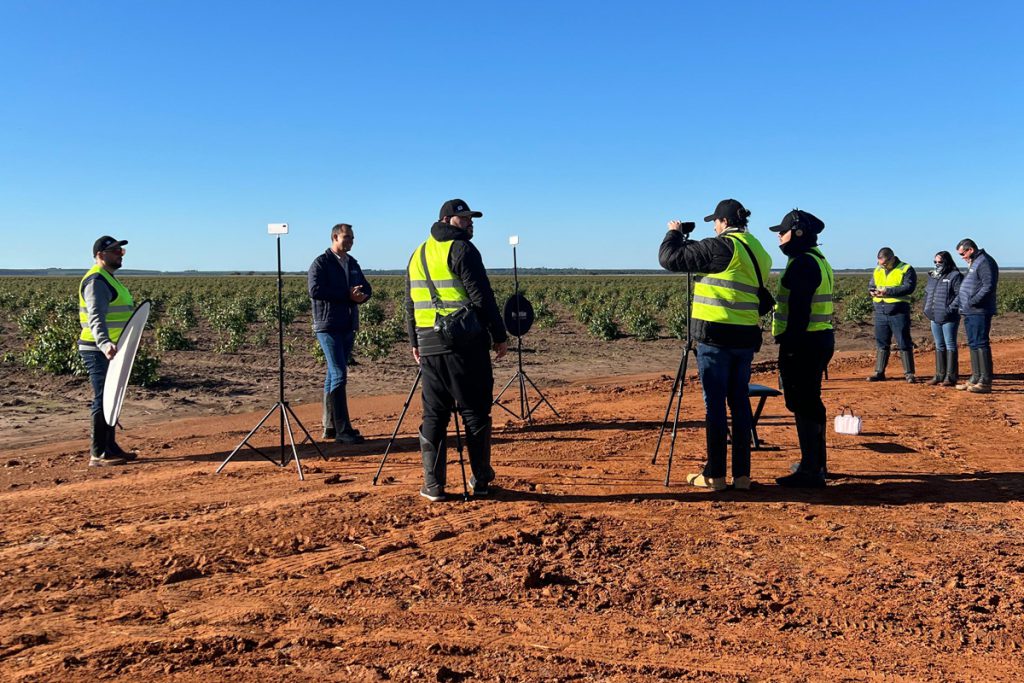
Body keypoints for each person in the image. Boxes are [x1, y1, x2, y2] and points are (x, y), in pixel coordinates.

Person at [659, 198, 772, 491]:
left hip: (716, 338)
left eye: (715, 222)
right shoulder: (758, 250)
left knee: (715, 407)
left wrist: (674, 233)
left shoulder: (721, 246)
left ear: (722, 222)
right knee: (740, 403)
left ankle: (716, 475)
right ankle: (743, 476)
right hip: (746, 337)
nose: (714, 226)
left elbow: (669, 258)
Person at [404, 199, 508, 502]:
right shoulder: (461, 249)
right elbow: (481, 295)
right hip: (464, 345)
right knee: (475, 411)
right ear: (448, 220)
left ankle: (433, 485)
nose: (470, 223)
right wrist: (498, 335)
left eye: (471, 218)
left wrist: (414, 341)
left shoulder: (418, 253)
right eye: (464, 218)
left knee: (434, 414)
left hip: (429, 345)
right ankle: (481, 480)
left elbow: (410, 303)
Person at [768, 210, 834, 488]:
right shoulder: (816, 259)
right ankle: (816, 463)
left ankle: (810, 469)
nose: (779, 239)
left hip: (803, 342)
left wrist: (791, 346)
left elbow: (799, 311)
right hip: (818, 339)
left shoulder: (802, 263)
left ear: (797, 233)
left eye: (781, 233)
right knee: (811, 402)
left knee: (803, 403)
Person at [308, 223, 372, 444]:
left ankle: (329, 427)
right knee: (339, 373)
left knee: (333, 374)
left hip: (347, 324)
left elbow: (367, 288)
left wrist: (361, 296)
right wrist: (347, 295)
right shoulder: (321, 263)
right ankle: (344, 430)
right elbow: (314, 290)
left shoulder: (352, 263)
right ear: (335, 237)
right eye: (347, 237)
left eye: (352, 238)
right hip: (328, 325)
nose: (351, 241)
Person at [78, 236, 137, 467]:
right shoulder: (97, 281)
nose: (120, 255)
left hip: (112, 348)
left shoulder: (109, 279)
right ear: (100, 255)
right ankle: (99, 453)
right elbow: (96, 317)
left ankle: (110, 447)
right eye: (115, 251)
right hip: (97, 349)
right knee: (103, 398)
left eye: (121, 252)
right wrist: (104, 343)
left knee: (112, 397)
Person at [867, 247, 918, 383]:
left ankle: (909, 373)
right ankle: (879, 372)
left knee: (903, 341)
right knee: (881, 342)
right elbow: (871, 284)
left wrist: (887, 291)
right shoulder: (878, 269)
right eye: (879, 263)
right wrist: (872, 291)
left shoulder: (906, 269)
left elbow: (909, 287)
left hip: (898, 311)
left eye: (884, 263)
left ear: (891, 258)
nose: (881, 265)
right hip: (880, 311)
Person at [956, 238, 999, 393]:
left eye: (962, 253)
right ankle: (976, 377)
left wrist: (973, 301)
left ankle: (985, 381)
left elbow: (988, 286)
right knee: (973, 343)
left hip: (980, 310)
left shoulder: (984, 262)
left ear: (970, 250)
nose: (962, 257)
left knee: (981, 343)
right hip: (970, 310)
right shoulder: (975, 262)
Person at [922, 251, 963, 387]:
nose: (937, 264)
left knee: (950, 344)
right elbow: (927, 293)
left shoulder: (955, 276)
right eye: (935, 262)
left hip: (949, 317)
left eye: (940, 262)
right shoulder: (933, 276)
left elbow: (960, 295)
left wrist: (950, 309)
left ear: (947, 261)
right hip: (934, 316)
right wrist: (926, 308)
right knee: (939, 345)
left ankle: (950, 377)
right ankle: (939, 375)